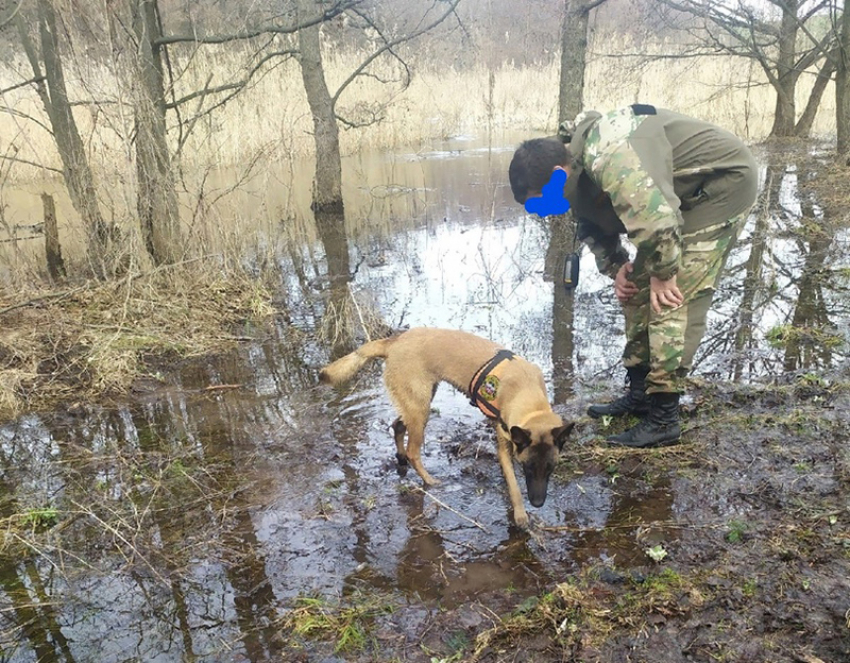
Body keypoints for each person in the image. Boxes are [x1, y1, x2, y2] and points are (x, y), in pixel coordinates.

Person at [508, 104, 759, 448]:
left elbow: (656, 221)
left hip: (718, 186)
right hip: (668, 202)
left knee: (671, 298)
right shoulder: (570, 171)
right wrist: (617, 268)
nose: (545, 211)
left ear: (556, 174)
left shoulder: (611, 153)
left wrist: (666, 273)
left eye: (543, 201)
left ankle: (664, 418)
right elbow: (593, 221)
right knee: (636, 290)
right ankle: (640, 393)